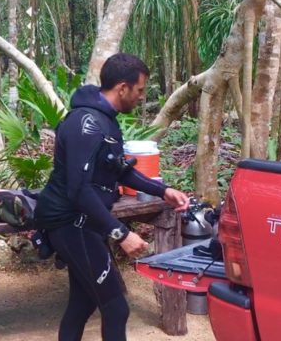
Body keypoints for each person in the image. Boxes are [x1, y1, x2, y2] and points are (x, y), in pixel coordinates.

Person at [34, 53, 191, 341]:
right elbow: (78, 189)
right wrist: (120, 233)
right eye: (140, 90)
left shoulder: (106, 120)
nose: (142, 97)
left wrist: (163, 190)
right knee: (116, 308)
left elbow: (118, 169)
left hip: (86, 221)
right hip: (70, 223)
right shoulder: (87, 125)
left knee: (84, 302)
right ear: (122, 87)